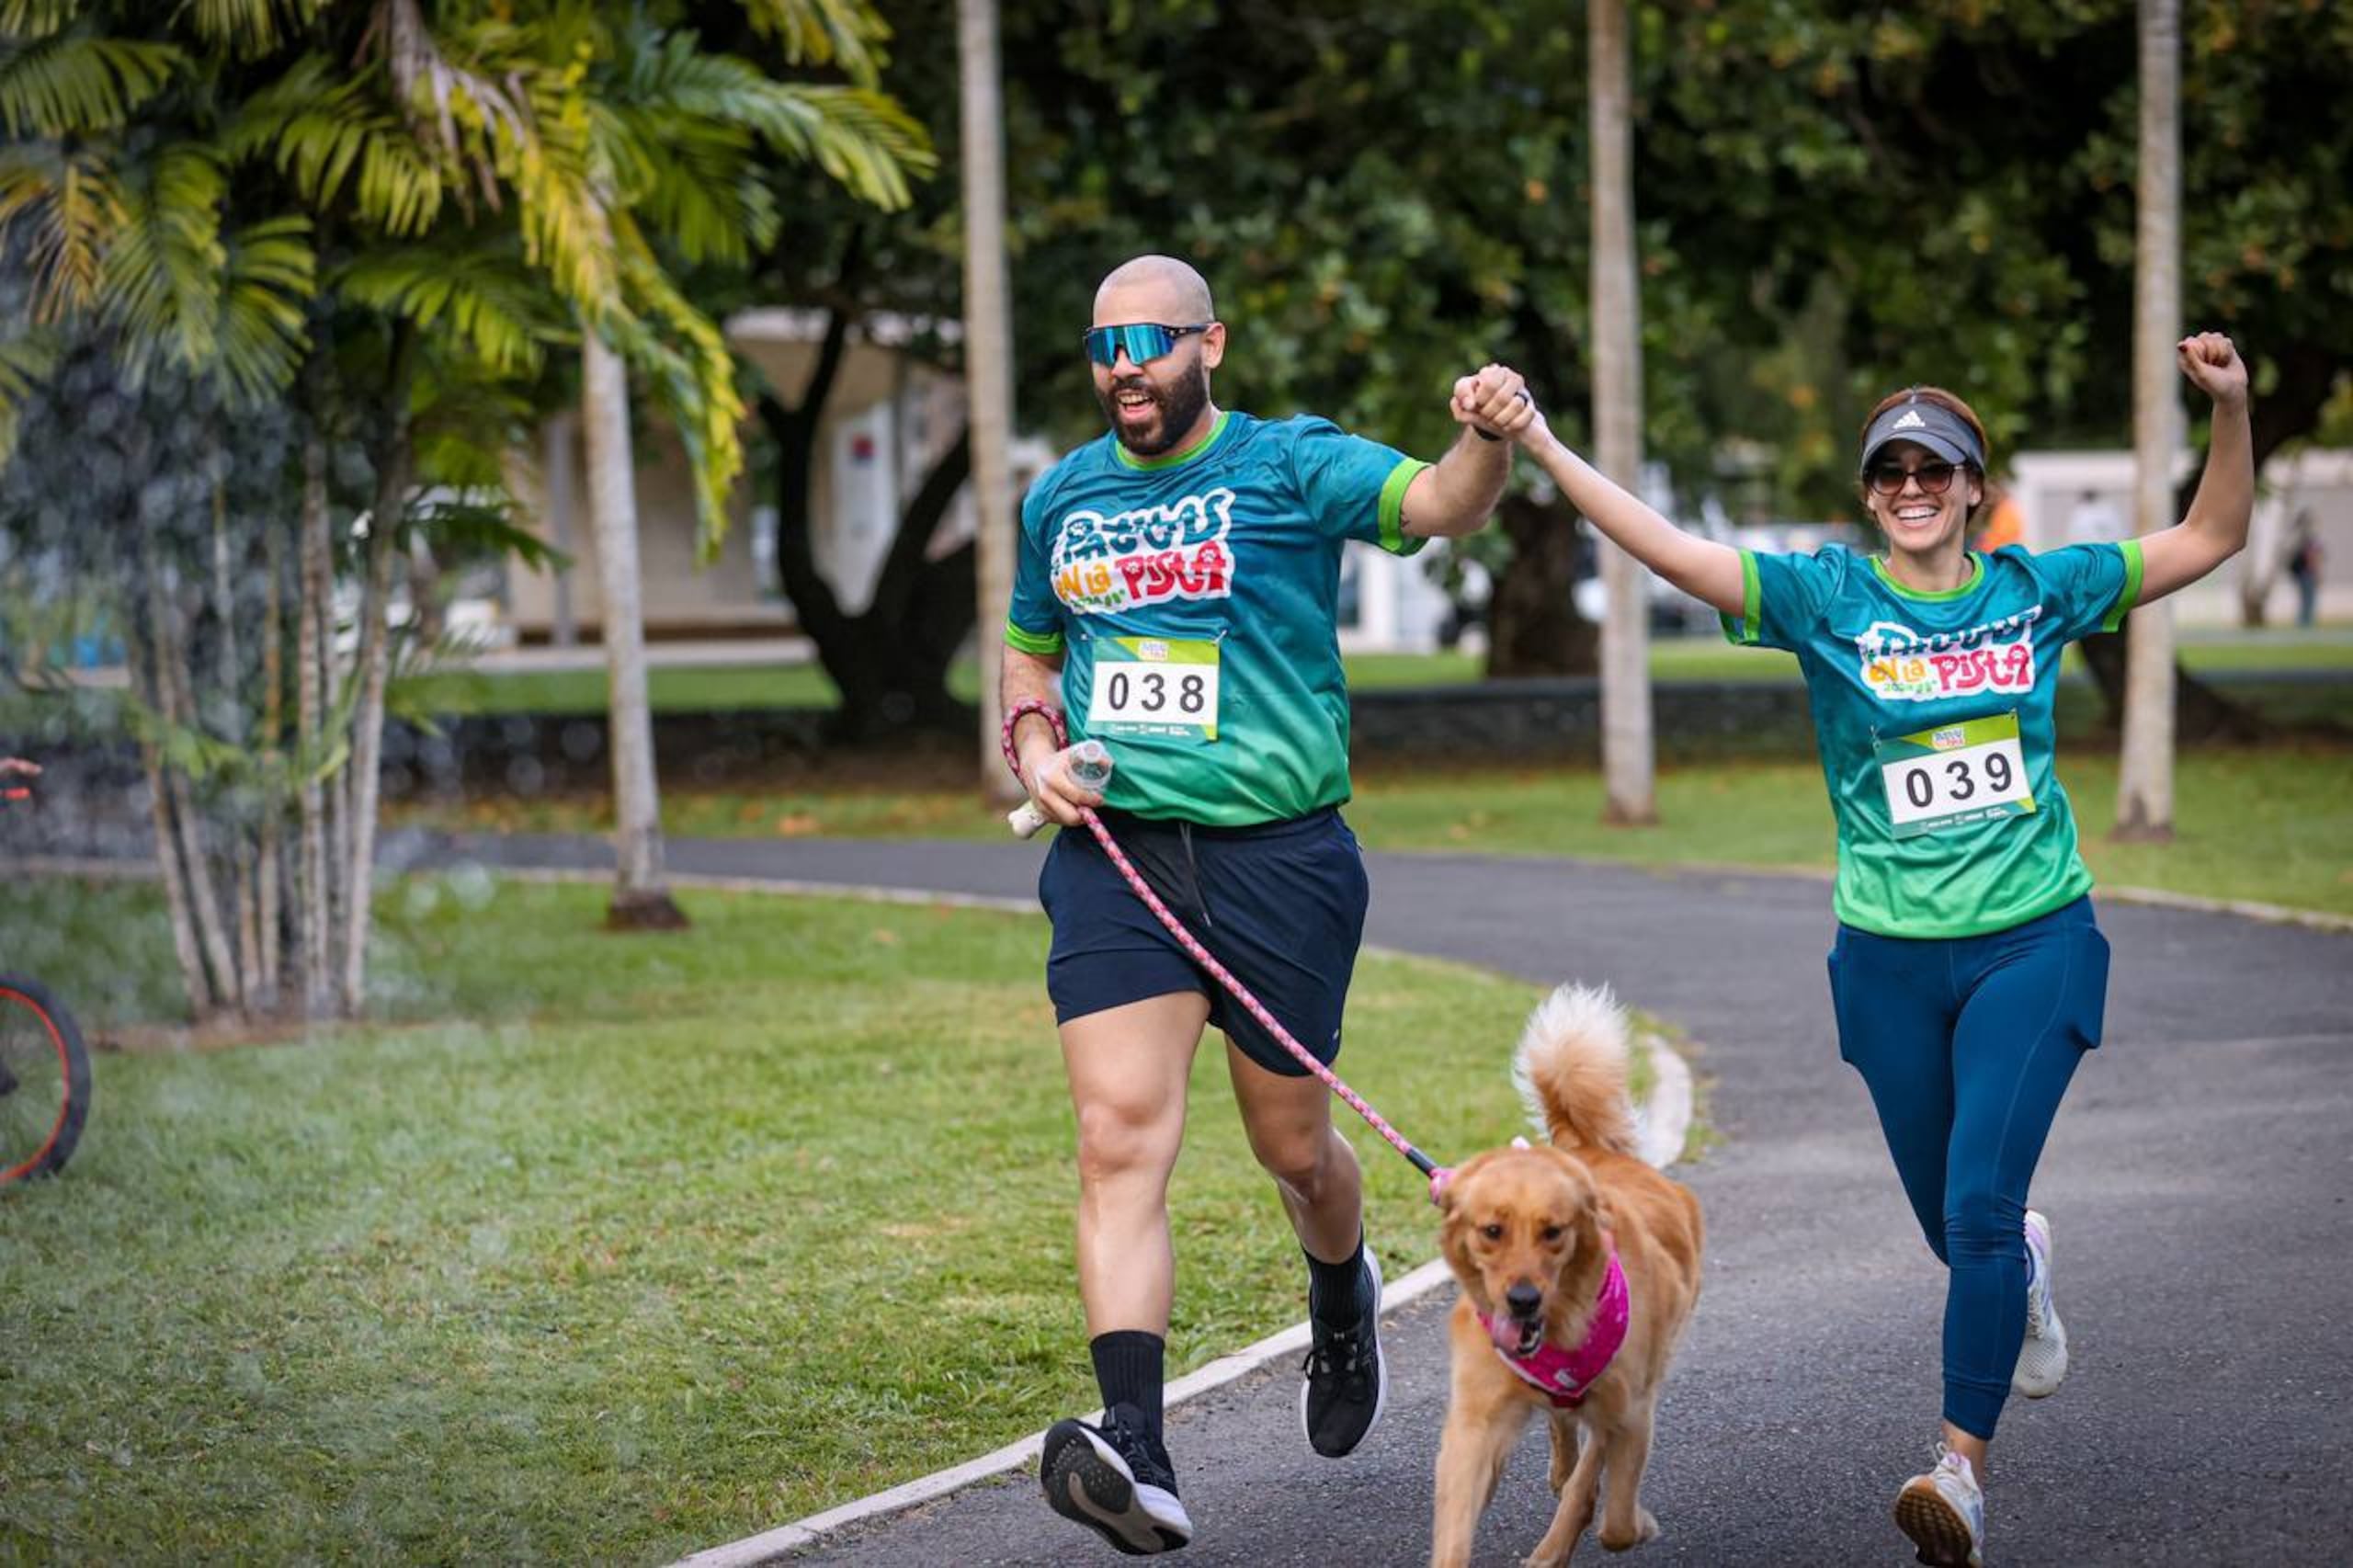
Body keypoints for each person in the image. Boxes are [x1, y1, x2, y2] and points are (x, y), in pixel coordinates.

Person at [1506, 335, 2252, 1566]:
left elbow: (2210, 536)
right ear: (1871, 493)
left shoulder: (2037, 587)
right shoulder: (1825, 600)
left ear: (1973, 485)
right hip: (1890, 962)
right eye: (1889, 468)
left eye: (1936, 466)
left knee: (1976, 1205)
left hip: (2032, 940)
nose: (1912, 483)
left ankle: (1959, 1472)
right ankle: (2022, 1262)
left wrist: (2228, 410)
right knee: (1959, 1229)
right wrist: (1537, 443)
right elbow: (1663, 544)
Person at [1002, 254, 1529, 1555]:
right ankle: (1137, 1442)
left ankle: (1339, 1289)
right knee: (1117, 1134)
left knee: (1294, 1149)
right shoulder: (1062, 496)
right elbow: (1028, 647)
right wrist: (1029, 745)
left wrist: (1485, 435)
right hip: (1121, 855)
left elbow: (1447, 504)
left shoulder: (1293, 465)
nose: (1126, 364)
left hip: (1281, 861)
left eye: (1151, 340)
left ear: (1210, 344)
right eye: (1103, 342)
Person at [2286, 513, 2323, 628]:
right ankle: (2305, 624)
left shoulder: (2297, 536)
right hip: (2307, 573)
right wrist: (2316, 573)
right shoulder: (2309, 537)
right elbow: (2312, 556)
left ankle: (2303, 622)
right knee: (2308, 600)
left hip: (2301, 573)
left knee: (2304, 599)